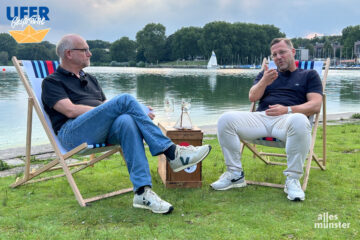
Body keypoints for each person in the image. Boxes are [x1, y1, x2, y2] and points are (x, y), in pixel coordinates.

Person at [41, 34, 211, 214]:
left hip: (99, 130)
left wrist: (136, 110)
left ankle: (142, 192)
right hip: (73, 133)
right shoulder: (52, 82)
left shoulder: (90, 79)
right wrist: (127, 106)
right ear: (68, 53)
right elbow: (70, 111)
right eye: (84, 50)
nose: (90, 54)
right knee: (125, 100)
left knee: (127, 120)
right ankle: (172, 152)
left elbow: (107, 109)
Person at [211, 38, 323, 201]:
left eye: (282, 52)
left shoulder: (309, 75)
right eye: (274, 54)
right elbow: (252, 97)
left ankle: (292, 180)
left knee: (300, 120)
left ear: (292, 52)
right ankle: (235, 175)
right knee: (225, 119)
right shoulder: (267, 74)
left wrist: (288, 110)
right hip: (261, 119)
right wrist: (264, 80)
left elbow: (316, 105)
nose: (278, 57)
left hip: (288, 121)